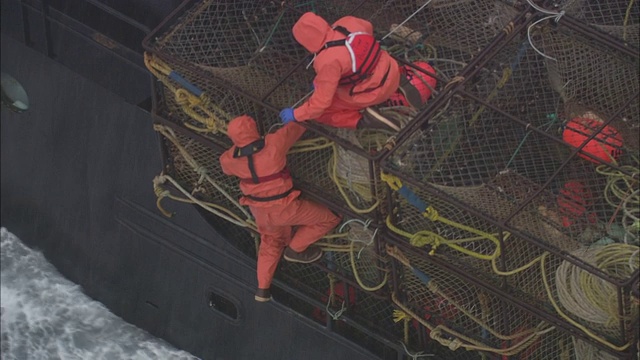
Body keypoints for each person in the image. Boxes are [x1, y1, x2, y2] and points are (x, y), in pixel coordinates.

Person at [219, 115, 341, 302]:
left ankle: (262, 289)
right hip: (284, 207)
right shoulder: (272, 145)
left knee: (270, 242)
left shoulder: (230, 159)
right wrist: (307, 112)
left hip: (259, 212)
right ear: (254, 129)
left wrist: (238, 149)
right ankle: (295, 249)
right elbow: (295, 128)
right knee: (330, 218)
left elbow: (225, 167)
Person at [279, 12, 404, 131]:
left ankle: (363, 120)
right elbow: (368, 27)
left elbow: (320, 104)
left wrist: (296, 114)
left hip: (375, 90)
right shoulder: (346, 22)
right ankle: (402, 81)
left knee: (320, 113)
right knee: (356, 73)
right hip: (392, 67)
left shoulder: (326, 61)